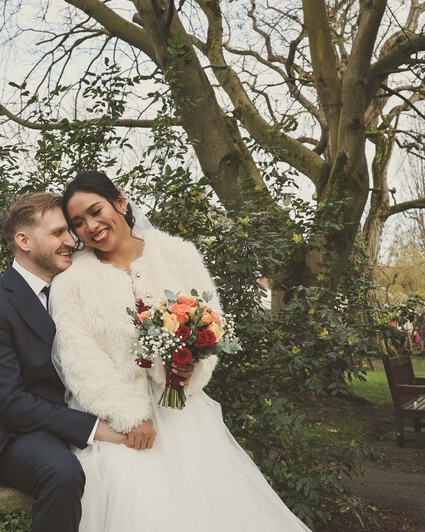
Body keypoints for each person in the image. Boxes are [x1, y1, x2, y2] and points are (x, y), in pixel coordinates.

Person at [50, 171, 311, 531]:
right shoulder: (72, 283)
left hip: (182, 411)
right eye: (78, 222)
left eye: (96, 211)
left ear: (120, 202)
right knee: (136, 497)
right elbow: (81, 359)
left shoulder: (178, 255)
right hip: (117, 421)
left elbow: (209, 322)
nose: (91, 226)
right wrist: (130, 416)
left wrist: (189, 371)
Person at [0, 192, 145, 532]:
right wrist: (94, 429)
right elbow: (9, 402)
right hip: (23, 435)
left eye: (70, 231)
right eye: (58, 233)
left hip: (96, 410)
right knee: (62, 474)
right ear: (23, 240)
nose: (71, 241)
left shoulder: (82, 284)